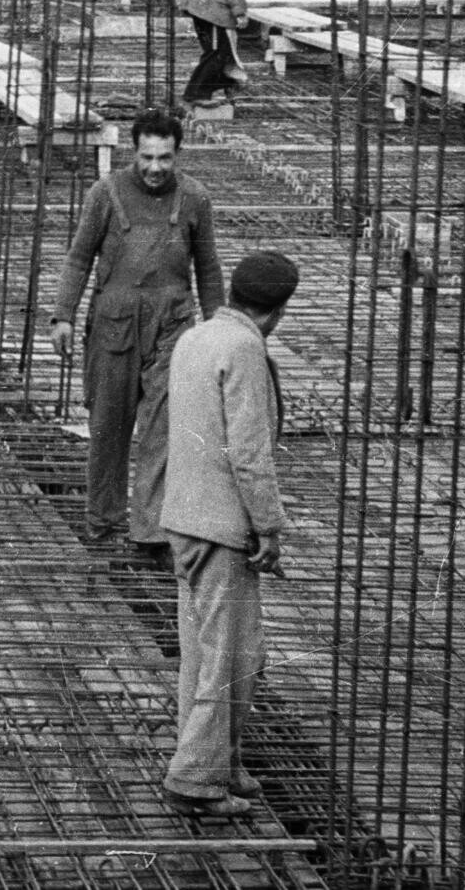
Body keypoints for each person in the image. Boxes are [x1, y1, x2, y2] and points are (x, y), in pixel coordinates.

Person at [159, 249, 299, 818]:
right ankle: (195, 780)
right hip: (220, 524)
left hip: (184, 516)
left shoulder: (196, 336)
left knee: (221, 649)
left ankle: (224, 760)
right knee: (229, 655)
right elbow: (249, 452)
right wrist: (269, 526)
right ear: (276, 311)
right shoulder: (244, 348)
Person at [49, 108, 224, 554]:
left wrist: (221, 329)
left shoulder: (195, 199)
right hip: (114, 327)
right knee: (108, 426)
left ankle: (150, 531)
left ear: (178, 154)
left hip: (173, 328)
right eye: (147, 157)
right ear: (134, 151)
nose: (154, 168)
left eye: (165, 158)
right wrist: (63, 315)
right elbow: (77, 259)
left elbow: (207, 268)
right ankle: (104, 520)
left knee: (163, 431)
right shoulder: (105, 194)